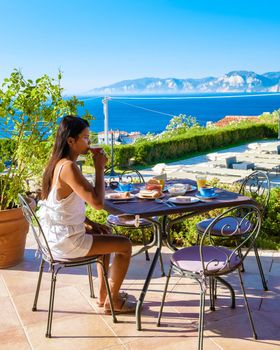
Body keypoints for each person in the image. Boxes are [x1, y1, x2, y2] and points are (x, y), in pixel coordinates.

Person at [38, 115, 134, 314]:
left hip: (55, 237)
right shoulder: (69, 167)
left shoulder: (56, 164)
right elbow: (98, 203)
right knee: (125, 246)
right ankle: (113, 301)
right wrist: (100, 167)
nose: (89, 142)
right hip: (67, 242)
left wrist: (87, 222)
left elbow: (61, 207)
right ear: (71, 141)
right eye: (85, 138)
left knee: (105, 231)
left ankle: (104, 296)